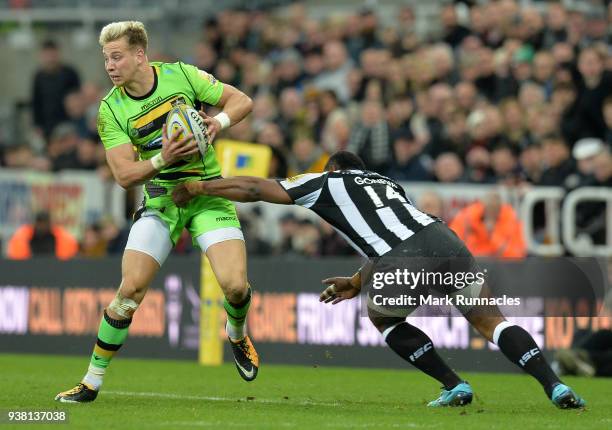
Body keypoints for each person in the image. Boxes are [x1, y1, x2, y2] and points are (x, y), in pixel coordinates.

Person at [172, 150, 586, 409]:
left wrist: (198, 185)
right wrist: (358, 278)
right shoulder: (388, 184)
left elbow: (253, 187)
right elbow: (392, 236)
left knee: (385, 319)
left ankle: (454, 385)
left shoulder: (327, 180)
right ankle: (555, 387)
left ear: (335, 168)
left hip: (408, 254)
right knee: (490, 320)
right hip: (447, 241)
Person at [55, 21, 257, 403]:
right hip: (162, 199)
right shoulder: (110, 110)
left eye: (117, 57)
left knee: (234, 286)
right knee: (129, 291)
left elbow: (242, 100)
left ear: (139, 55)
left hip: (207, 192)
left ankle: (236, 333)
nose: (110, 66)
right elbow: (124, 175)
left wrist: (218, 121)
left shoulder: (181, 75)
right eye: (106, 59)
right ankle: (91, 381)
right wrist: (165, 156)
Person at [7, 211, 78, 260]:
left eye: (45, 222)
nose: (42, 226)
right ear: (35, 223)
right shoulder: (26, 237)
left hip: (55, 272)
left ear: (49, 223)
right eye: (39, 222)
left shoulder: (58, 238)